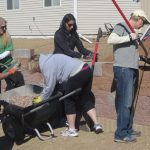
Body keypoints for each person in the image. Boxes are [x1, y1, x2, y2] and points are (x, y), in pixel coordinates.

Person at [28, 53, 103, 137]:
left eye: (36, 70)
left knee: (68, 100)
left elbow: (50, 86)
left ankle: (72, 130)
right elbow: (50, 80)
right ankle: (97, 124)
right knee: (85, 98)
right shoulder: (50, 58)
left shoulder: (46, 65)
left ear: (36, 65)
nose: (38, 72)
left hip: (76, 74)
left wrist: (41, 98)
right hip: (86, 69)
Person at [107, 9, 150, 143]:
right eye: (142, 23)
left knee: (129, 101)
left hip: (131, 68)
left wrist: (141, 57)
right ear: (138, 19)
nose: (142, 26)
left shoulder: (133, 32)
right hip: (123, 69)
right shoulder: (122, 25)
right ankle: (120, 134)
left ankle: (128, 128)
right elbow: (111, 39)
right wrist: (130, 37)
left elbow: (129, 51)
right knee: (125, 102)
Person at [0, 17, 25, 92]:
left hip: (7, 62)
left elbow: (9, 49)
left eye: (5, 27)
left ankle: (12, 97)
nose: (4, 29)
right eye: (2, 27)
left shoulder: (6, 35)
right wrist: (9, 73)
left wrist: (13, 69)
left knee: (18, 79)